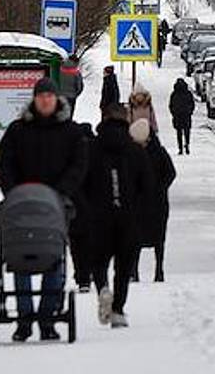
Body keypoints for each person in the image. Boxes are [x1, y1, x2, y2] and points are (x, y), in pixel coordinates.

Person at [0, 76, 87, 342]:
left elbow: (79, 165)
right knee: (20, 259)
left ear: (56, 99)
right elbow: (4, 163)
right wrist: (13, 192)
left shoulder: (70, 132)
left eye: (49, 96)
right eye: (41, 96)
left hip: (56, 204)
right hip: (22, 204)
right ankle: (24, 320)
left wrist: (61, 192)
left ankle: (47, 318)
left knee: (53, 259)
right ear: (35, 99)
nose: (45, 100)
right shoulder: (18, 130)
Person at [83, 104, 150, 329]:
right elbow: (148, 187)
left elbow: (80, 183)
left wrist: (87, 208)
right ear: (126, 121)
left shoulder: (91, 150)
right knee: (124, 265)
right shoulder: (135, 151)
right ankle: (118, 309)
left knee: (98, 260)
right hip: (128, 217)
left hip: (98, 216)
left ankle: (102, 287)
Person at [129, 118, 176, 283]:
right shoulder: (133, 154)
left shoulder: (158, 153)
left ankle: (159, 270)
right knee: (135, 237)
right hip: (141, 203)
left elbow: (170, 173)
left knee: (158, 238)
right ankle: (134, 271)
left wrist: (160, 188)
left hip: (156, 203)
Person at [69, 122, 98, 292]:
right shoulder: (97, 151)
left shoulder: (74, 152)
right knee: (91, 241)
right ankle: (89, 271)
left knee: (76, 243)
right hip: (93, 205)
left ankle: (81, 275)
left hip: (75, 204)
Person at [168, 78, 195, 155]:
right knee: (187, 132)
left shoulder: (174, 94)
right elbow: (192, 103)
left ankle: (180, 148)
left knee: (179, 132)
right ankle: (187, 144)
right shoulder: (188, 93)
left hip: (178, 115)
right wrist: (190, 111)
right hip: (186, 115)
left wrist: (173, 113)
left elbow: (171, 105)